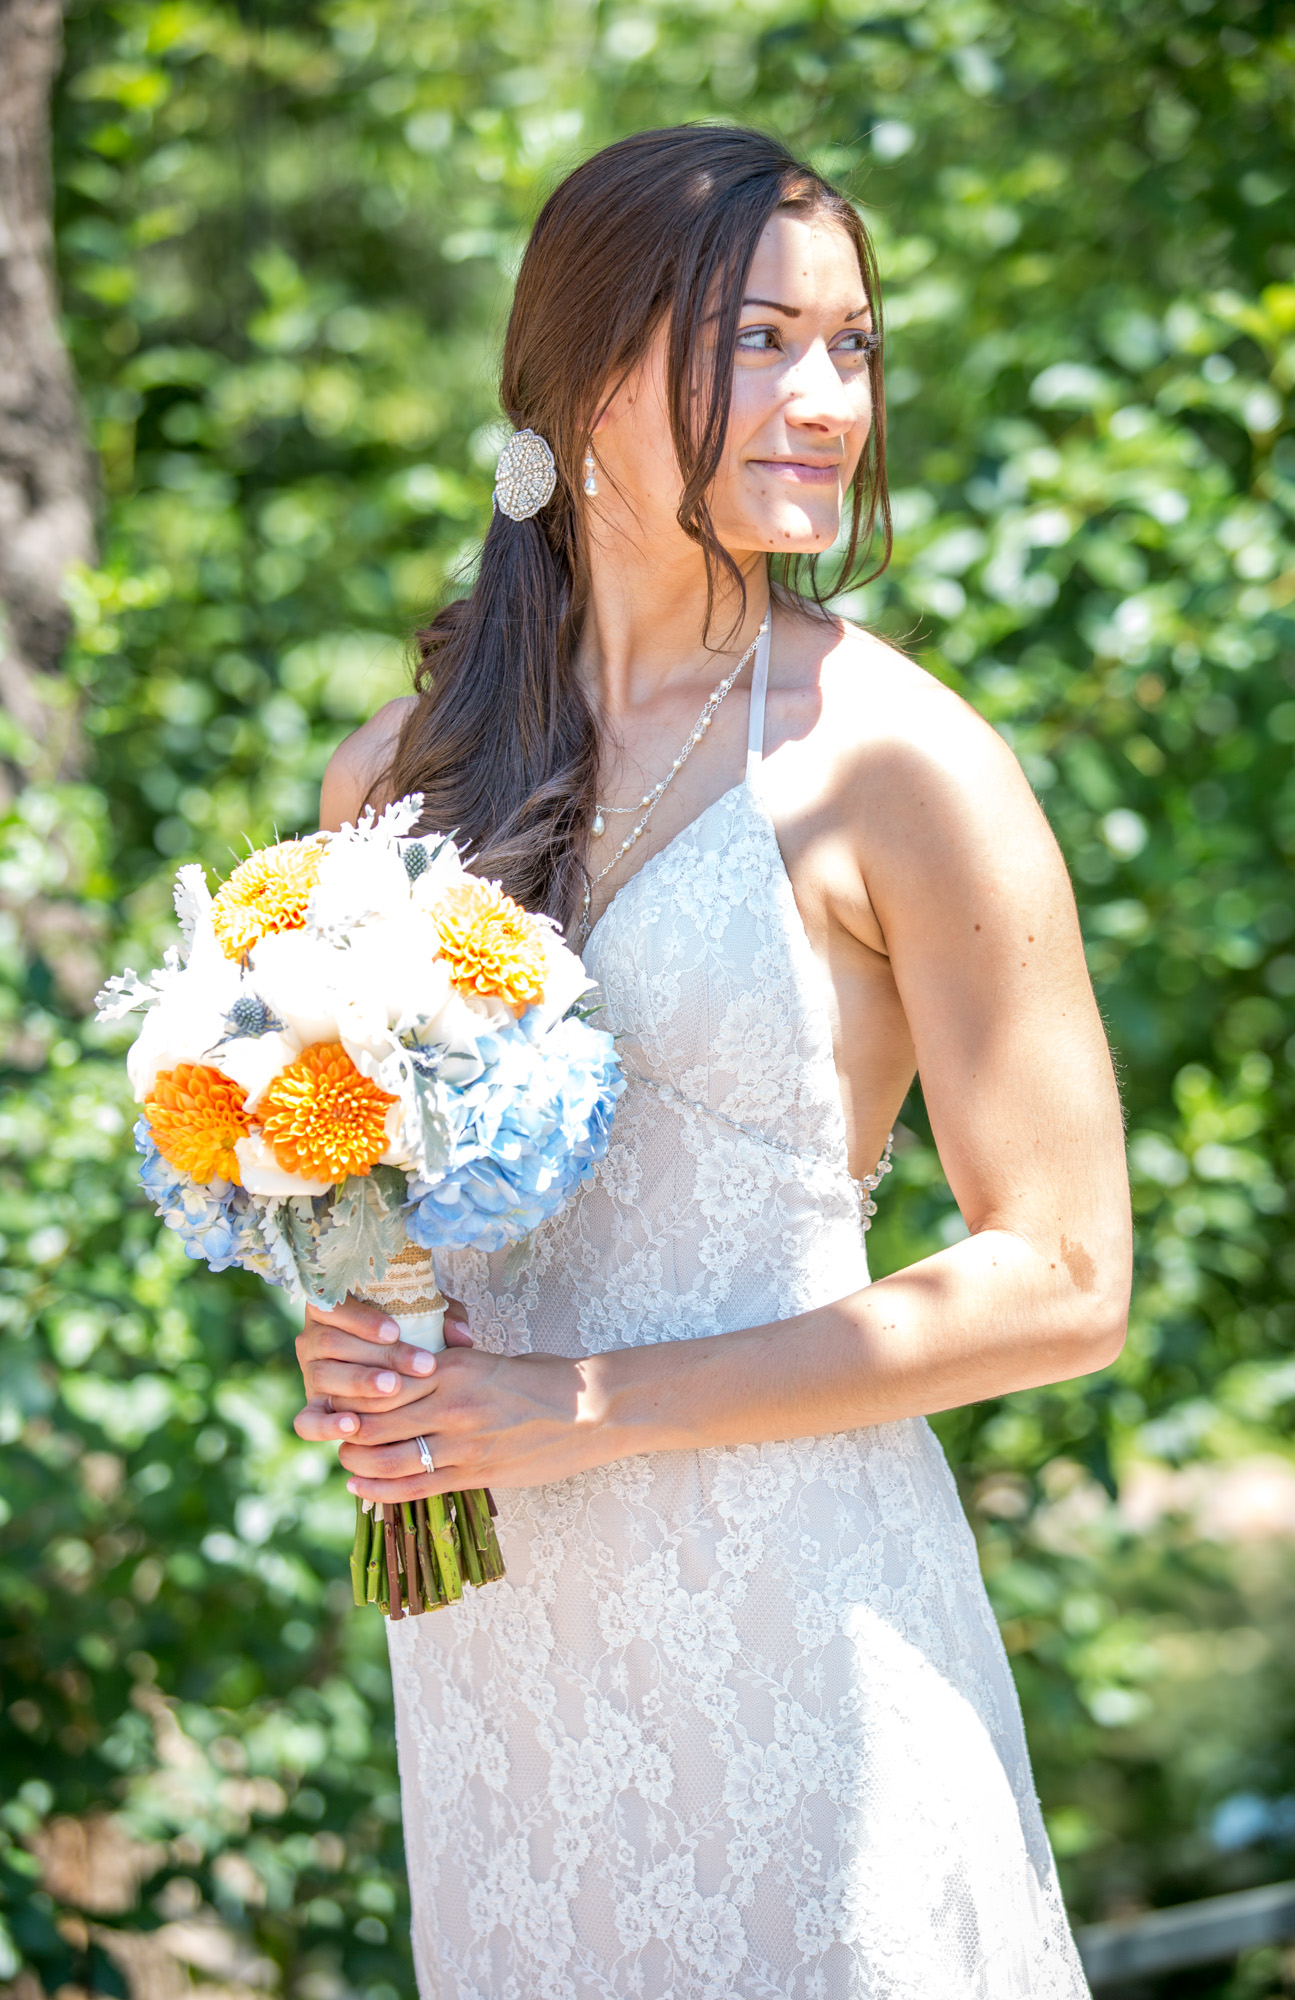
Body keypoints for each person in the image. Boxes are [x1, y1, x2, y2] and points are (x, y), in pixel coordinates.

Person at [296, 125, 1130, 2000]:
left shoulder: (898, 761)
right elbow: (352, 1180)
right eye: (759, 341)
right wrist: (356, 1323)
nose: (826, 398)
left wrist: (583, 1406)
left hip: (801, 1630)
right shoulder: (393, 783)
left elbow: (1068, 1282)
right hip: (501, 1653)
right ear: (579, 373)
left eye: (852, 347)